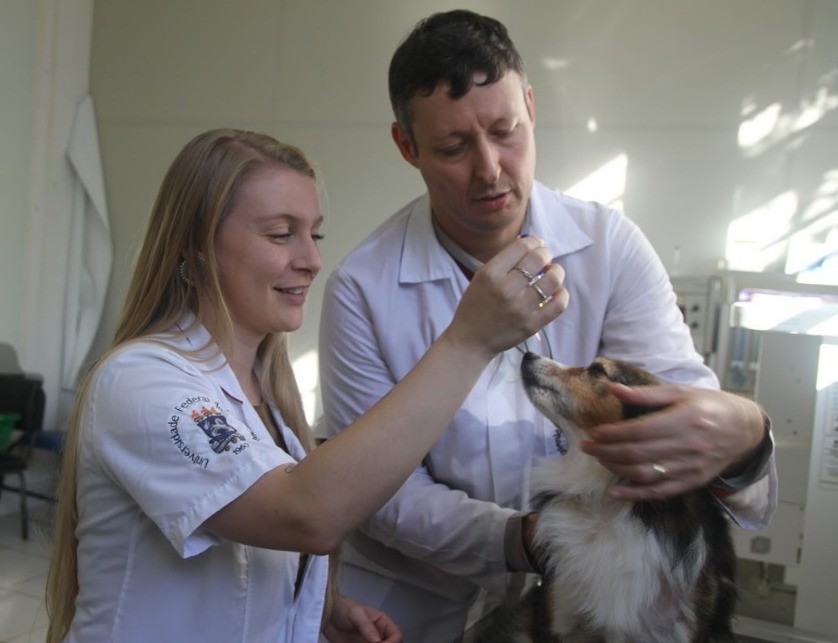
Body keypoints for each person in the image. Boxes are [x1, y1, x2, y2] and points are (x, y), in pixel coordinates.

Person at [318, 9, 778, 642]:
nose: (490, 170)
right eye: (453, 147)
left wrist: (743, 432)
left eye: (506, 131)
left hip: (602, 601)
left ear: (531, 107)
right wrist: (521, 538)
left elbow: (676, 425)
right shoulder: (362, 289)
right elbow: (379, 493)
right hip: (419, 607)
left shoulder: (608, 248)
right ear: (407, 146)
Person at [44, 128, 567, 643]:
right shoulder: (141, 381)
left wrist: (310, 608)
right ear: (195, 246)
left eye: (313, 234)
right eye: (280, 234)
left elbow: (240, 550)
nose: (312, 260)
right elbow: (305, 514)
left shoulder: (268, 399)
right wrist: (468, 341)